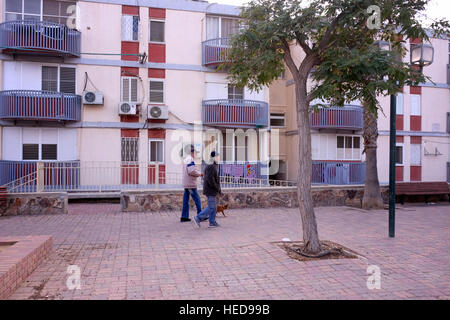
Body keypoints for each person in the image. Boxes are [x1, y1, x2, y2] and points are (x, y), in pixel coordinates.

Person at [193, 151, 221, 228]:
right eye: (218, 156)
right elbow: (210, 179)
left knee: (214, 206)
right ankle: (198, 218)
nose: (219, 158)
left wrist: (218, 189)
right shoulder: (211, 166)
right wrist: (216, 187)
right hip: (210, 189)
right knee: (211, 207)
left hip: (212, 189)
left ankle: (212, 222)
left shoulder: (213, 165)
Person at [180, 145, 203, 222]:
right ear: (192, 152)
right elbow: (192, 171)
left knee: (186, 200)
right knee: (197, 199)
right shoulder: (190, 159)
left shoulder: (186, 159)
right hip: (190, 184)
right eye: (195, 153)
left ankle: (184, 217)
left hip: (187, 183)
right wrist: (200, 174)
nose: (196, 155)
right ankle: (200, 216)